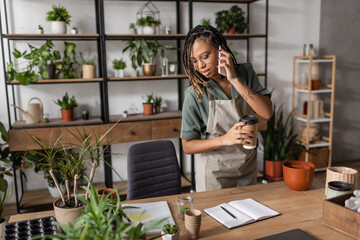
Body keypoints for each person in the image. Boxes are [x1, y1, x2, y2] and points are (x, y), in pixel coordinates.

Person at [181, 25, 273, 192]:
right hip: (214, 174)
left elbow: (266, 112)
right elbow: (187, 146)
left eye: (205, 56)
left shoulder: (244, 72)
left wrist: (234, 79)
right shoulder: (195, 93)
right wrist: (225, 139)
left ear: (221, 50)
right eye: (194, 61)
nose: (200, 66)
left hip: (247, 168)